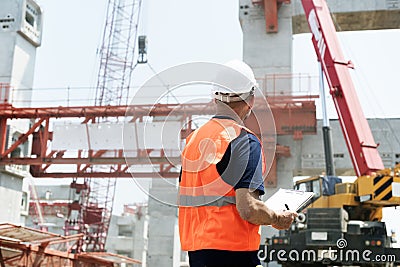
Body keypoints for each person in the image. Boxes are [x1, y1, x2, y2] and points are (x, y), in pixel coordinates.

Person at [178, 60, 298, 267]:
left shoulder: (193, 140)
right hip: (232, 253)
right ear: (250, 99)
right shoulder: (244, 141)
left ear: (215, 97)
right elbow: (248, 208)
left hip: (197, 253)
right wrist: (278, 218)